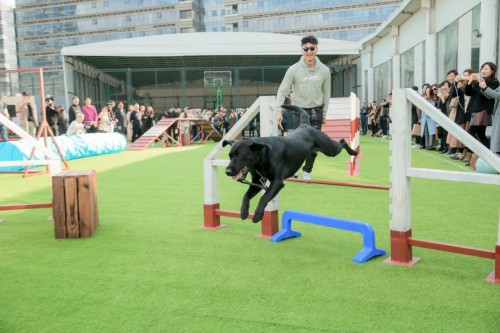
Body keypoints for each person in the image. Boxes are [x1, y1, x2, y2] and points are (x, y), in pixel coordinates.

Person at [275, 35, 331, 180]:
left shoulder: (324, 70)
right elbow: (282, 90)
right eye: (306, 49)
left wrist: (324, 114)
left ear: (317, 50)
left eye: (312, 48)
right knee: (295, 144)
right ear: (302, 50)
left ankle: (307, 171)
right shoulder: (293, 69)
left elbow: (327, 94)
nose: (309, 51)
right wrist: (278, 110)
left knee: (314, 145)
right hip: (298, 110)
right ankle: (294, 170)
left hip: (316, 110)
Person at [464, 62, 499, 148]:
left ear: (492, 71)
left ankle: (483, 153)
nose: (483, 71)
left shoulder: (494, 82)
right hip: (475, 110)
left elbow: (488, 95)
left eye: (486, 69)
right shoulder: (478, 81)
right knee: (480, 134)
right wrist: (470, 81)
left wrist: (482, 84)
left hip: (483, 110)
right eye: (482, 69)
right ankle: (487, 153)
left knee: (471, 134)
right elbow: (468, 93)